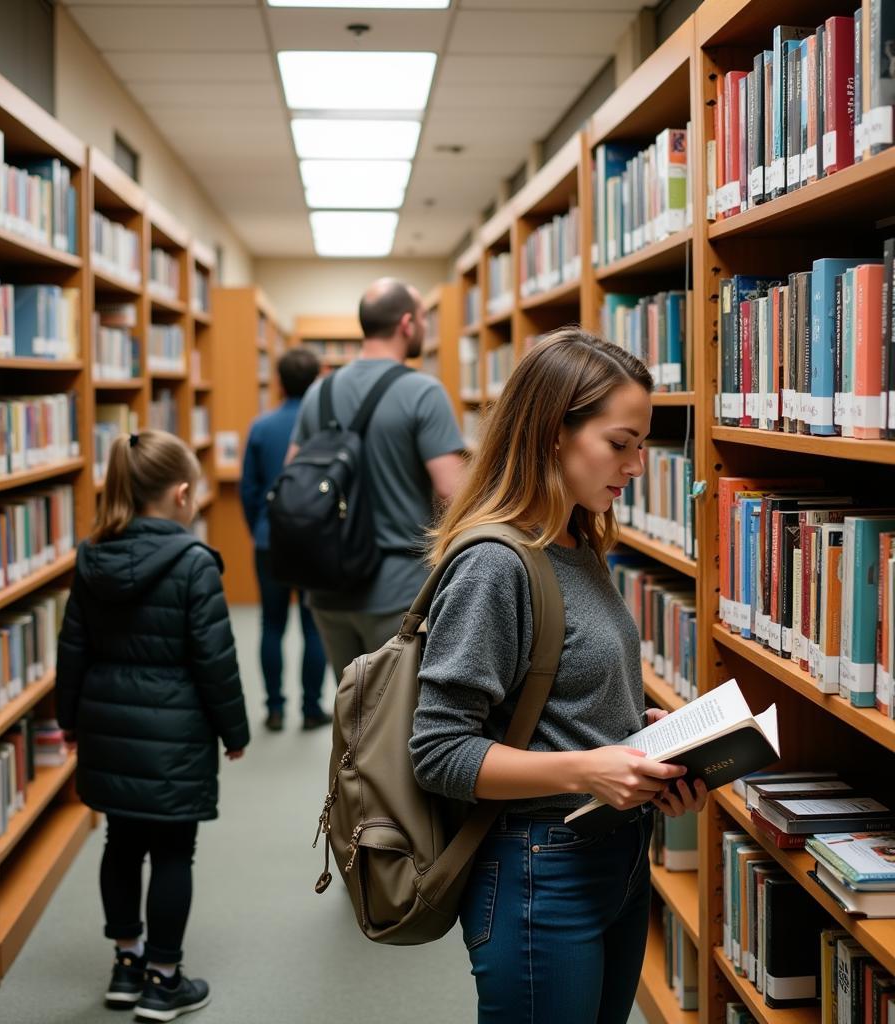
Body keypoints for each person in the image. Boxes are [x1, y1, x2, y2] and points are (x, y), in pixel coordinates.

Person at [409, 329, 708, 1024]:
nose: (638, 465)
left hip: (618, 854)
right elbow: (439, 751)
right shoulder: (496, 564)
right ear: (552, 433)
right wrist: (589, 769)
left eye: (644, 445)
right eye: (621, 443)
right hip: (538, 870)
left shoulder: (578, 541)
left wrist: (641, 742)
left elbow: (555, 700)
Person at [55, 429, 249, 1021]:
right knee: (172, 853)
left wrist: (69, 722)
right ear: (183, 494)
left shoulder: (92, 558)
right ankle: (165, 981)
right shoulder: (194, 565)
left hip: (108, 728)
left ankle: (126, 963)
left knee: (119, 842)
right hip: (176, 734)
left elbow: (72, 650)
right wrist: (234, 732)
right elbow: (214, 660)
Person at [287, 278, 465, 679]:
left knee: (350, 713)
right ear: (406, 324)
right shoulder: (423, 392)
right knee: (397, 722)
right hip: (398, 592)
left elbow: (293, 470)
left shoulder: (320, 391)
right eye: (422, 318)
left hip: (328, 585)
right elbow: (453, 491)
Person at [241, 347, 329, 732]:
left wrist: (258, 528)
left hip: (269, 538)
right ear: (317, 381)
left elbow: (249, 489)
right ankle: (312, 709)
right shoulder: (324, 428)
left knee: (271, 623)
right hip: (314, 541)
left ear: (277, 381)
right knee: (313, 625)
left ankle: (274, 708)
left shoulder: (261, 427)